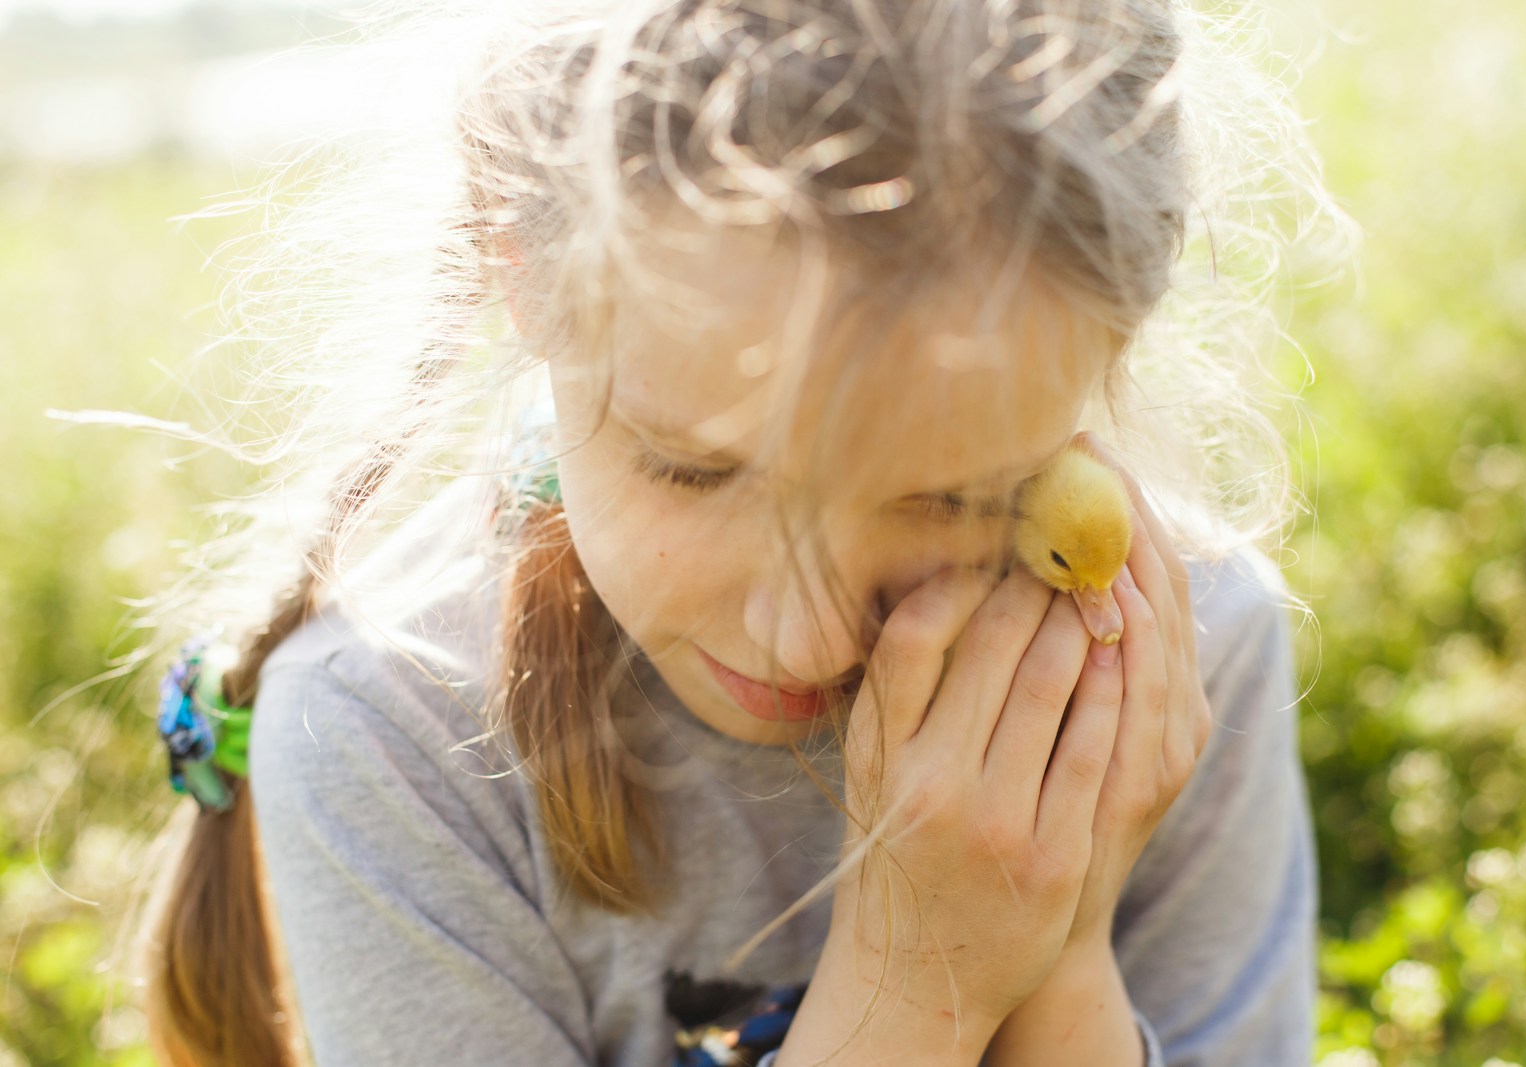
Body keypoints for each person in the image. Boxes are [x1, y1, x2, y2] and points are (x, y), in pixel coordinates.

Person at [135, 0, 1347, 1064]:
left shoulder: (1176, 668)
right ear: (521, 275)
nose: (805, 633)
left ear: (1111, 338)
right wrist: (912, 988)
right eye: (690, 468)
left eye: (954, 495)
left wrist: (1063, 947)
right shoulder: (392, 736)